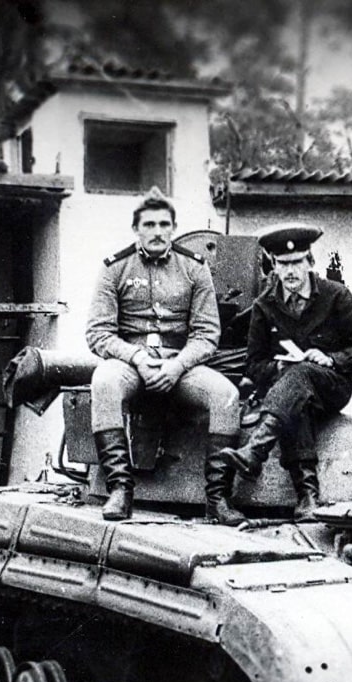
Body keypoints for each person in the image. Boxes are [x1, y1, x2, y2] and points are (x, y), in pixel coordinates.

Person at [85, 188, 244, 525]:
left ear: (173, 227)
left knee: (227, 395)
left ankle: (218, 500)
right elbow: (98, 333)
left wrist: (177, 366)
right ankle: (120, 489)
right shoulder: (115, 268)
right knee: (104, 381)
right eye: (149, 224)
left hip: (180, 362)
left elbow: (206, 334)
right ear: (136, 228)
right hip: (129, 362)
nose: (157, 231)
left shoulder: (194, 268)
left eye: (164, 224)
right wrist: (137, 358)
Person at [219, 223, 352, 522]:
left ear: (310, 263)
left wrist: (331, 358)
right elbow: (253, 363)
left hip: (333, 386)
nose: (290, 271)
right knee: (295, 395)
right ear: (273, 267)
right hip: (290, 393)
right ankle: (307, 496)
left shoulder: (336, 296)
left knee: (301, 375)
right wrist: (278, 366)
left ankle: (256, 450)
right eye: (282, 264)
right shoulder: (264, 305)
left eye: (296, 263)